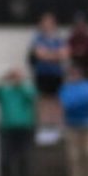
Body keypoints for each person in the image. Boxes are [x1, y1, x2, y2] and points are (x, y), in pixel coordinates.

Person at [0, 69, 37, 176]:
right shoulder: (5, 91)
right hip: (7, 127)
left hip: (24, 127)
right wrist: (3, 79)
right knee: (6, 157)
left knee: (24, 156)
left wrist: (20, 84)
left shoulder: (27, 89)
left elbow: (32, 97)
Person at [29, 12, 69, 145]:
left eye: (50, 22)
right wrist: (54, 55)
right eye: (45, 22)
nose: (47, 25)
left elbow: (64, 55)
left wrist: (49, 55)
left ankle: (57, 128)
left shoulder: (59, 38)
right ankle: (45, 129)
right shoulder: (37, 38)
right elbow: (40, 55)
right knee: (44, 101)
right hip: (43, 74)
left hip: (57, 74)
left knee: (57, 101)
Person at [59, 63, 88, 176]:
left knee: (87, 154)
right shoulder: (65, 88)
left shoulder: (86, 86)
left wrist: (78, 103)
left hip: (87, 124)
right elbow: (67, 103)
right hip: (71, 125)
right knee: (74, 156)